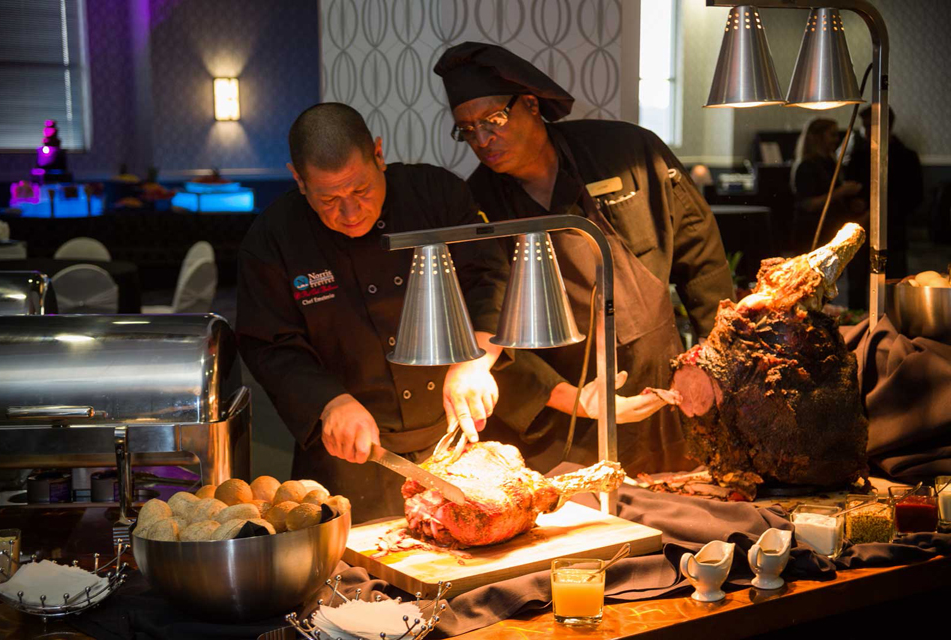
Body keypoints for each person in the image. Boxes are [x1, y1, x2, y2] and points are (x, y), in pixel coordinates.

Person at [432, 42, 735, 475]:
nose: (482, 141)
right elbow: (488, 330)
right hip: (565, 418)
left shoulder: (627, 149)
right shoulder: (478, 204)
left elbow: (701, 255)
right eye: (467, 130)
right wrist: (575, 399)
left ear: (531, 105)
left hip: (667, 390)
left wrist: (713, 358)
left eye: (492, 120)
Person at [236, 103, 507, 523]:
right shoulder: (272, 237)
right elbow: (270, 345)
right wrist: (328, 402)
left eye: (361, 190)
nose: (350, 213)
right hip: (348, 454)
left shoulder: (435, 195)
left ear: (378, 154)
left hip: (457, 438)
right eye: (328, 199)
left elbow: (489, 276)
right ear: (298, 179)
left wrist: (478, 356)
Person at [791, 117, 868, 307]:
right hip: (813, 232)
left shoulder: (829, 162)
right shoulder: (806, 166)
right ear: (817, 137)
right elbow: (809, 203)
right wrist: (842, 192)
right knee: (813, 286)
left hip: (830, 230)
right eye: (832, 134)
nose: (836, 139)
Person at [844, 106, 924, 279]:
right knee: (856, 283)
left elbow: (915, 196)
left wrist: (881, 209)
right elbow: (849, 188)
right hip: (860, 231)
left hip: (892, 230)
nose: (866, 132)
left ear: (885, 126)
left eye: (870, 126)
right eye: (864, 126)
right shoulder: (858, 156)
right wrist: (854, 202)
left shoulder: (906, 157)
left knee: (892, 282)